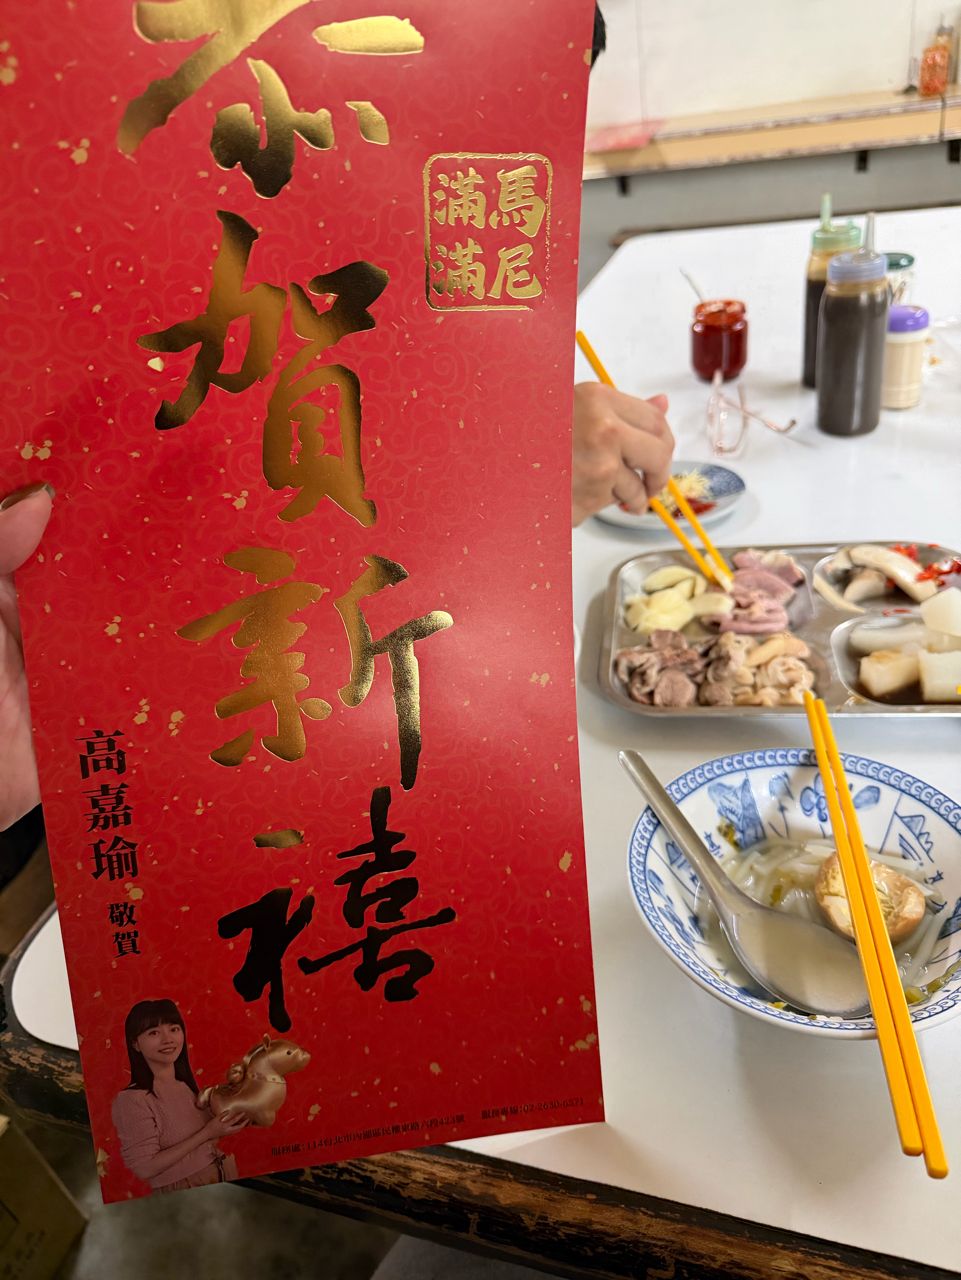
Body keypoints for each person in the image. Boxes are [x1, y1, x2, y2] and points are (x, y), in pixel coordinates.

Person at [112, 997, 248, 1194]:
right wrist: (208, 1132)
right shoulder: (132, 1099)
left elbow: (206, 1138)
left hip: (221, 1173)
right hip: (186, 1187)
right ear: (136, 1044)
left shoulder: (184, 1085)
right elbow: (145, 1168)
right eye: (154, 1032)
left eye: (174, 1029)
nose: (168, 1039)